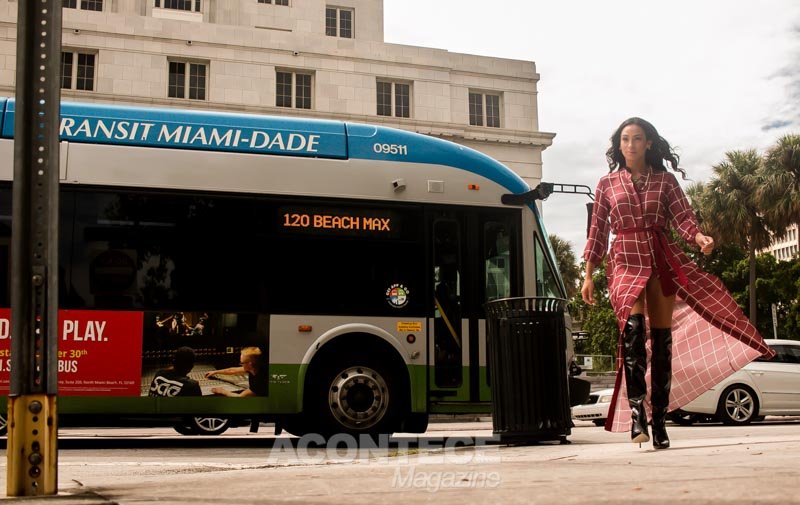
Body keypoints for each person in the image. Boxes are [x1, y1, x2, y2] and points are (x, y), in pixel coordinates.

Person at [581, 117, 774, 449]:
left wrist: (699, 237)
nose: (630, 145)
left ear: (649, 144)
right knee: (633, 335)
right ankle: (638, 415)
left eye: (637, 139)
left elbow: (683, 216)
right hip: (625, 261)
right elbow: (597, 230)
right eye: (625, 139)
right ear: (619, 145)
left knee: (661, 344)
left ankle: (658, 422)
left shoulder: (666, 181)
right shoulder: (606, 184)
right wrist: (588, 274)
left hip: (662, 260)